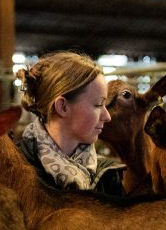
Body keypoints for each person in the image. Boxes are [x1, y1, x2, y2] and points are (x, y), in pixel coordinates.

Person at [17, 51, 126, 196]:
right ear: (62, 106)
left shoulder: (107, 175)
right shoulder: (15, 168)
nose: (107, 117)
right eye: (98, 104)